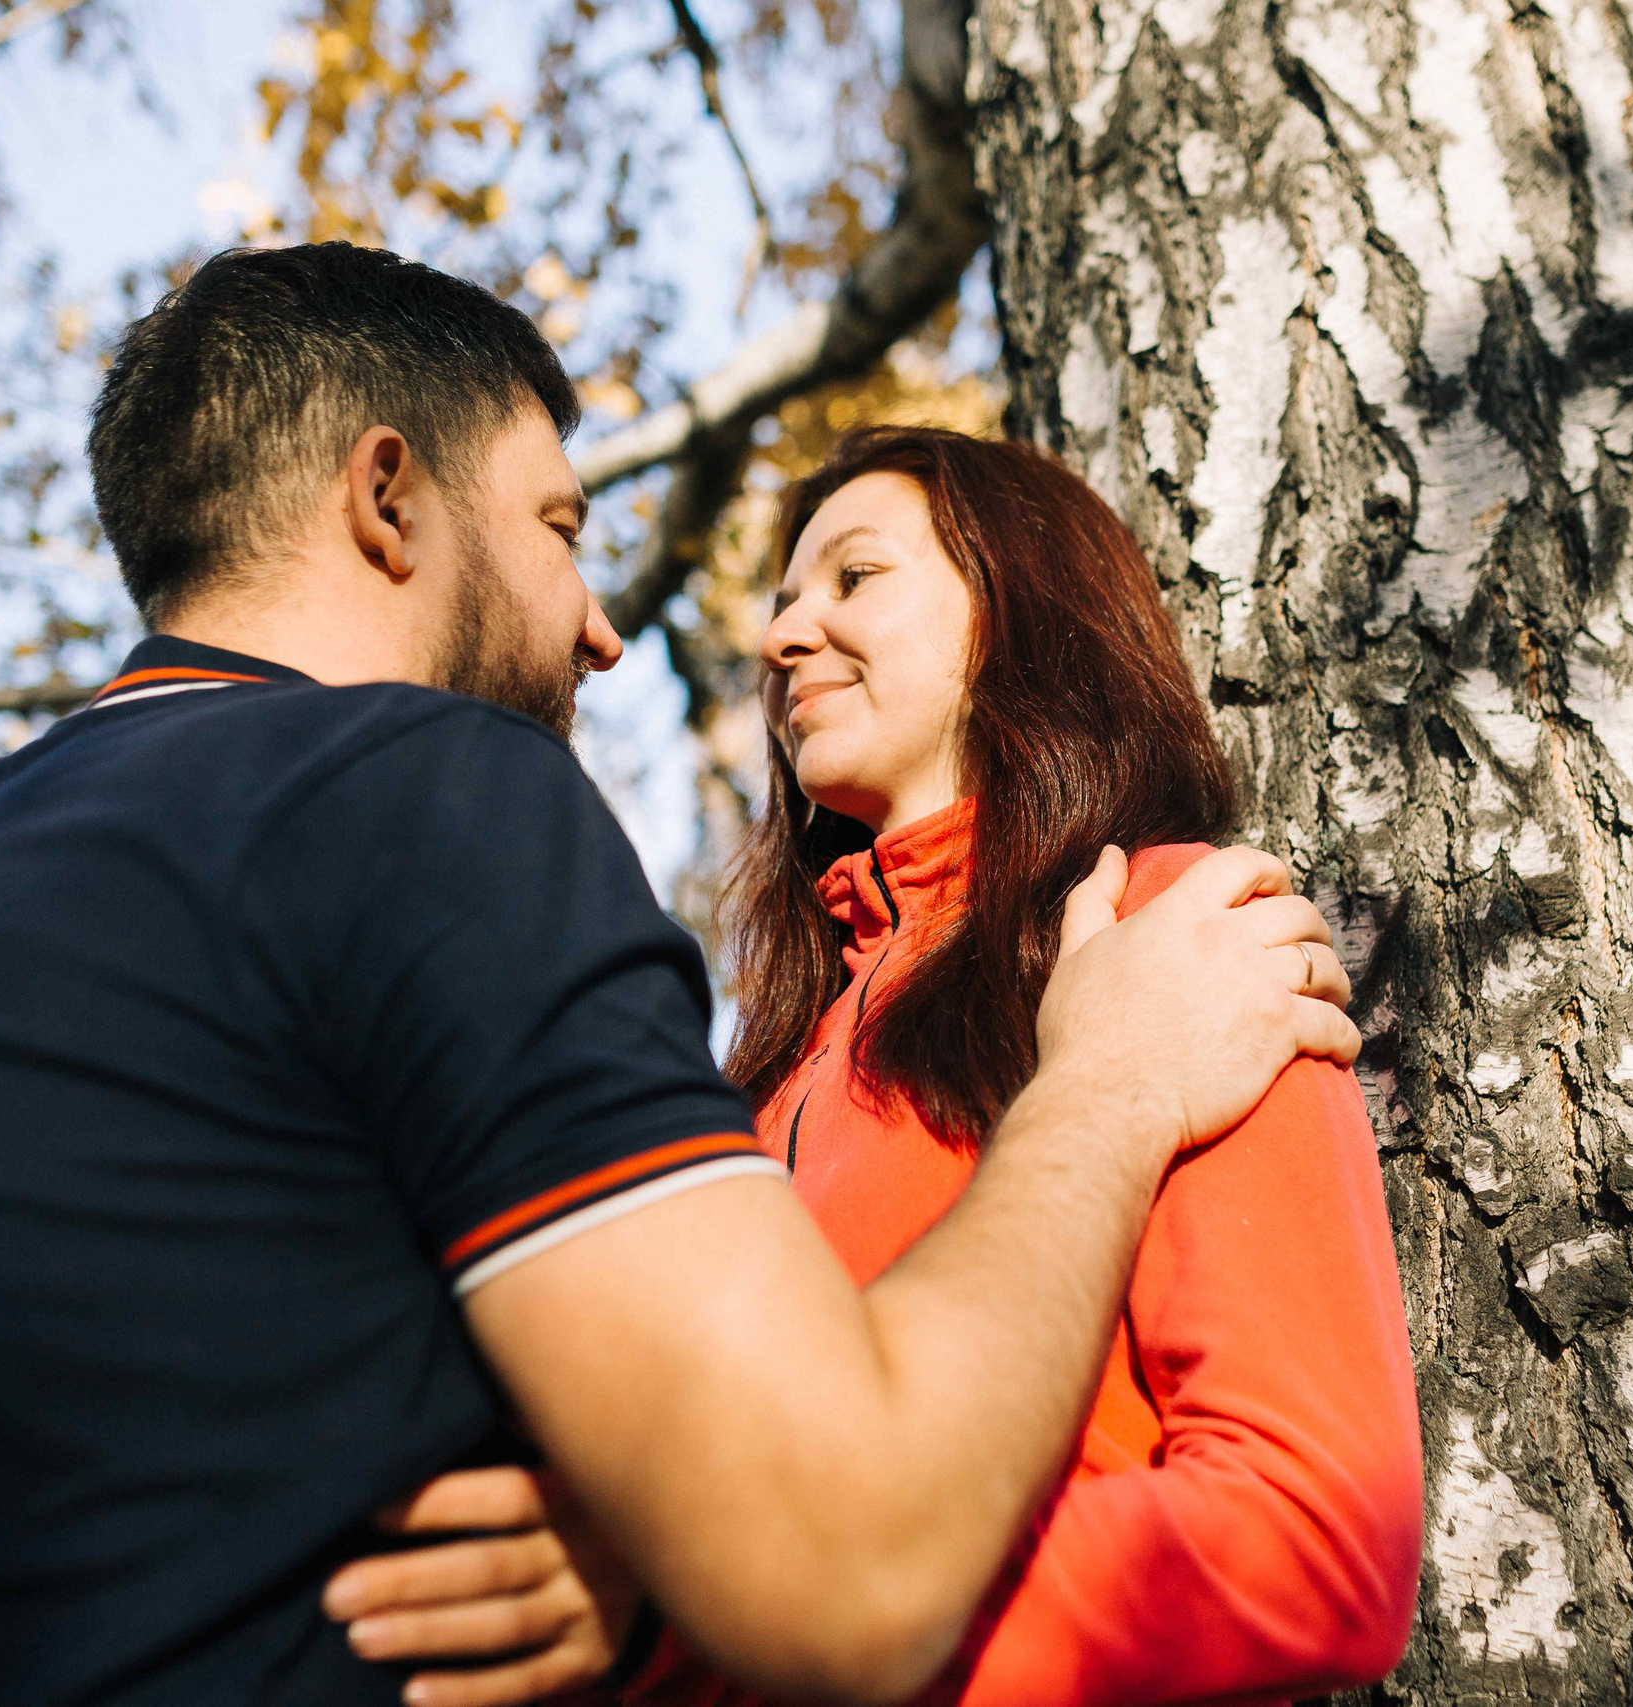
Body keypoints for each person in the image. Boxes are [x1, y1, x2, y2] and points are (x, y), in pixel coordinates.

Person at [0, 247, 1360, 1707]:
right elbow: (829, 1541)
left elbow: (1312, 1519)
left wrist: (679, 1560)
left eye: (858, 573)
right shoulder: (416, 789)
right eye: (560, 526)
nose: (612, 625)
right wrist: (1111, 1090)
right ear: (390, 499)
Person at [315, 428, 1425, 1707]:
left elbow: (1317, 1543)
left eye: (853, 579)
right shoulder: (761, 1076)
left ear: (1024, 606)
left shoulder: (1167, 934)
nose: (785, 639)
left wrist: (741, 1601)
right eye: (781, 606)